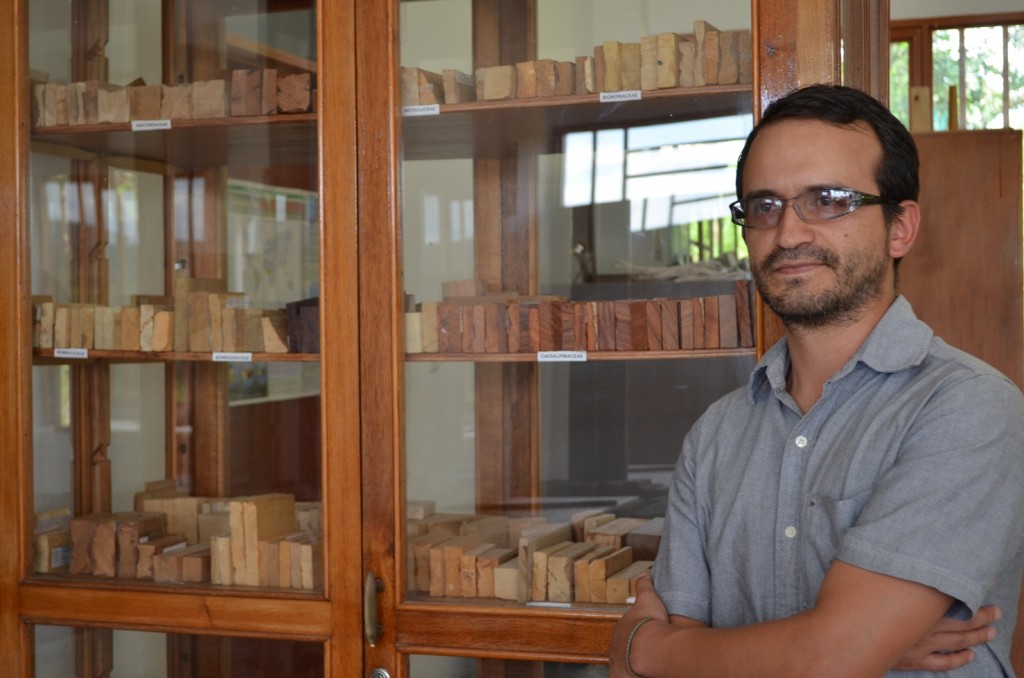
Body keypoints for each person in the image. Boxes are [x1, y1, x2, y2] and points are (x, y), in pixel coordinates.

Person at [608, 83, 1024, 677]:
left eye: (828, 199)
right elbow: (827, 656)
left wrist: (645, 649)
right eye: (764, 206)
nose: (789, 233)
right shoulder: (718, 432)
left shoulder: (968, 407)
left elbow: (827, 658)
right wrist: (853, 644)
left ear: (900, 227)